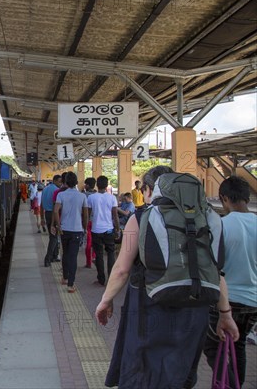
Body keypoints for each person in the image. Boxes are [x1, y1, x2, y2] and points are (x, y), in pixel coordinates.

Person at [95, 165, 239, 389]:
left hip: (150, 310)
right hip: (194, 314)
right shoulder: (205, 218)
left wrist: (106, 300)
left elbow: (122, 269)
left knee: (143, 374)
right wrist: (225, 314)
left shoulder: (140, 218)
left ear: (149, 190)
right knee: (178, 376)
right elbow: (215, 272)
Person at [203, 176, 257, 387]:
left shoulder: (220, 226)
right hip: (252, 301)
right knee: (239, 344)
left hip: (225, 302)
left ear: (223, 198)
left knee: (212, 347)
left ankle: (229, 385)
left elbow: (212, 265)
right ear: (247, 197)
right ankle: (236, 383)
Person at [51, 172, 88, 293]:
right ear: (76, 183)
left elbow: (56, 211)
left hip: (64, 229)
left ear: (65, 182)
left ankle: (65, 278)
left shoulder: (61, 195)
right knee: (73, 257)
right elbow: (86, 214)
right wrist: (85, 227)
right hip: (77, 230)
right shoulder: (82, 196)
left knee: (65, 253)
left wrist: (58, 225)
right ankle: (71, 285)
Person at [87, 176, 120, 286]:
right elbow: (115, 215)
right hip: (109, 229)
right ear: (107, 186)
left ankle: (101, 279)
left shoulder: (91, 198)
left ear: (97, 185)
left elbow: (88, 214)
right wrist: (117, 229)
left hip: (96, 230)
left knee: (99, 255)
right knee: (111, 253)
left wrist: (85, 227)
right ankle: (111, 278)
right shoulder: (112, 198)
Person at [41, 175, 61, 267]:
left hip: (46, 214)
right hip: (53, 215)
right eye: (59, 182)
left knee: (53, 236)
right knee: (53, 238)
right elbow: (55, 208)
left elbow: (41, 204)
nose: (60, 184)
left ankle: (54, 256)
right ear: (55, 181)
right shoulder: (56, 191)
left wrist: (41, 218)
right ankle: (47, 259)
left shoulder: (45, 189)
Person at [83, 177, 97, 268]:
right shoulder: (97, 195)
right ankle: (94, 257)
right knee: (96, 242)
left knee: (88, 242)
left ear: (87, 185)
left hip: (88, 221)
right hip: (97, 222)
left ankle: (88, 262)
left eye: (85, 184)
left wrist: (84, 223)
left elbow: (84, 211)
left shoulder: (84, 195)